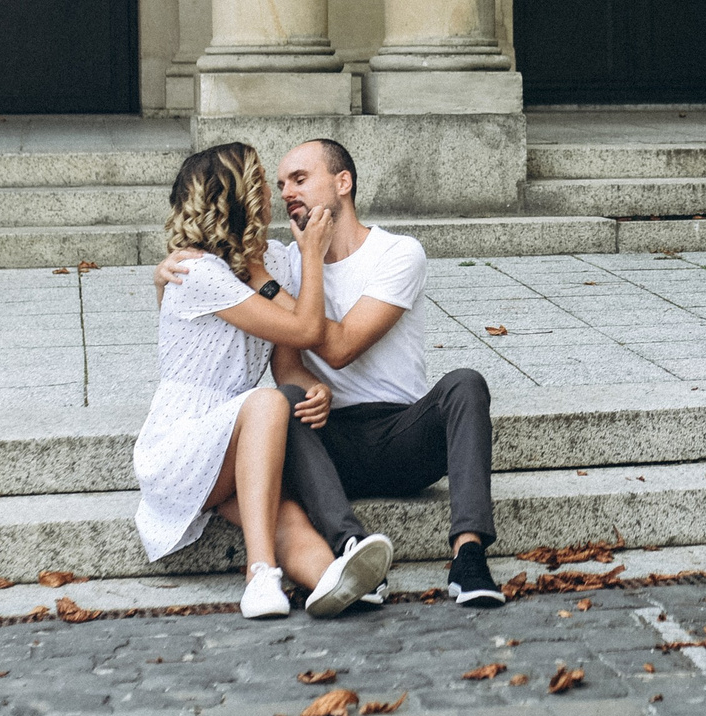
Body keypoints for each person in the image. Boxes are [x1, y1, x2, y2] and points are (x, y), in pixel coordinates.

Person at [154, 138, 506, 610]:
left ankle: (469, 558)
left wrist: (287, 271)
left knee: (466, 382)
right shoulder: (286, 261)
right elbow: (288, 366)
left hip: (398, 433)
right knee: (282, 403)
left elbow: (337, 347)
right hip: (322, 443)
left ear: (343, 183)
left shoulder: (398, 253)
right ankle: (350, 549)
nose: (285, 193)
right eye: (279, 184)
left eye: (299, 179)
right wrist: (163, 276)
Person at [131, 142, 390, 619]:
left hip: (241, 442)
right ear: (240, 196)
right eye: (263, 183)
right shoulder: (196, 270)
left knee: (285, 518)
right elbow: (308, 329)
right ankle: (259, 575)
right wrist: (312, 258)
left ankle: (338, 580)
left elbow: (288, 364)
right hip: (182, 443)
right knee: (268, 403)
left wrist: (316, 386)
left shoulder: (275, 260)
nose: (275, 193)